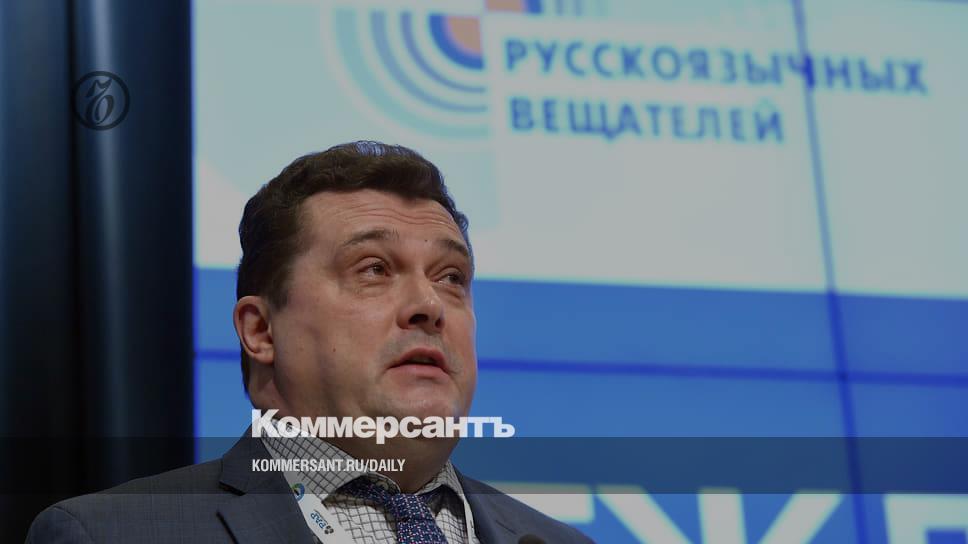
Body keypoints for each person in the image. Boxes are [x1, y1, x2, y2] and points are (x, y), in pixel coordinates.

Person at [27, 141, 593, 543]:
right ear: (260, 330)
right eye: (373, 269)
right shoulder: (113, 534)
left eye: (451, 277)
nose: (429, 304)